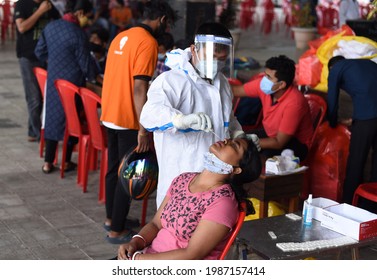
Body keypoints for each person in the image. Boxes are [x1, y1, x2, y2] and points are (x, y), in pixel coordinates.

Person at [140, 22, 246, 209]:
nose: (216, 64)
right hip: (181, 177)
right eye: (212, 57)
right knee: (176, 231)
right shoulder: (172, 80)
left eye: (221, 59)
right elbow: (149, 114)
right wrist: (179, 120)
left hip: (215, 180)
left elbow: (228, 118)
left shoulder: (222, 83)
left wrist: (238, 134)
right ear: (194, 49)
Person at [100, 0, 178, 244]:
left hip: (109, 112)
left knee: (114, 168)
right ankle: (116, 231)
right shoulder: (148, 42)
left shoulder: (121, 36)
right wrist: (144, 128)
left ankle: (113, 219)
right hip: (127, 117)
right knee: (127, 174)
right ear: (162, 20)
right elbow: (139, 87)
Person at [115, 137, 262, 260]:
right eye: (229, 139)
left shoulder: (223, 202)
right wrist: (135, 243)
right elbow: (156, 224)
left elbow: (192, 254)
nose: (225, 141)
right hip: (150, 256)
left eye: (234, 145)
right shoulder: (183, 179)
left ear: (236, 169)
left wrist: (138, 259)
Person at [35, 0, 98, 174]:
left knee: (53, 119)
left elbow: (39, 52)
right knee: (73, 121)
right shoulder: (78, 34)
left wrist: (56, 61)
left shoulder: (50, 27)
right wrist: (95, 76)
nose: (89, 20)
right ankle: (67, 161)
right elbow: (86, 66)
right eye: (88, 16)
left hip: (54, 83)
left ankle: (48, 163)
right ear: (80, 13)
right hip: (72, 87)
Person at [231, 55, 313, 162]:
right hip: (271, 133)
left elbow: (279, 142)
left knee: (251, 154)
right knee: (239, 140)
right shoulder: (265, 86)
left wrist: (247, 142)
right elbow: (236, 91)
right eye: (265, 75)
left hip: (294, 143)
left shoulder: (294, 103)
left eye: (268, 77)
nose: (264, 79)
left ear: (281, 84)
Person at [327, 56, 377, 211]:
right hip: (369, 115)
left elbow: (332, 100)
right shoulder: (366, 64)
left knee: (356, 161)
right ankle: (372, 205)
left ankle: (348, 205)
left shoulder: (336, 68)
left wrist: (332, 122)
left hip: (367, 118)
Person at [14, 0, 60, 142]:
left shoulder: (49, 5)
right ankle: (37, 133)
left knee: (43, 96)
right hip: (28, 56)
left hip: (46, 57)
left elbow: (59, 24)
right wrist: (40, 11)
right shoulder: (22, 4)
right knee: (34, 97)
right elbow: (21, 27)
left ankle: (33, 131)